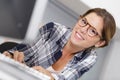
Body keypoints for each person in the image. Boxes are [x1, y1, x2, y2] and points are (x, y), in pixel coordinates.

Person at [2, 8, 116, 80]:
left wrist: (50, 77)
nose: (82, 29)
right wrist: (12, 56)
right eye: (84, 22)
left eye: (92, 31)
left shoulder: (89, 58)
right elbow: (24, 53)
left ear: (100, 42)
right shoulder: (53, 29)